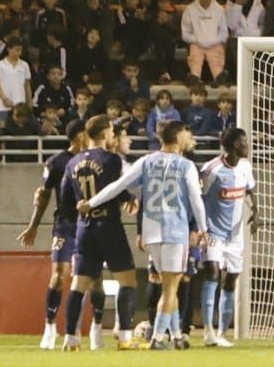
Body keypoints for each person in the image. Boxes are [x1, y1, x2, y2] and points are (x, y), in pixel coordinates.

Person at [84, 120, 206, 350]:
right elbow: (196, 200)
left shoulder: (146, 161)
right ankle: (158, 338)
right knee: (170, 287)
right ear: (178, 136)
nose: (189, 136)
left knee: (170, 283)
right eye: (186, 132)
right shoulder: (186, 165)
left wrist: (91, 202)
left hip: (152, 231)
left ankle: (177, 335)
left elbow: (118, 186)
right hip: (175, 230)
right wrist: (203, 228)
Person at [16, 120, 107, 350]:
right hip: (65, 224)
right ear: (79, 137)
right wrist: (33, 225)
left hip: (90, 223)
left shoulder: (97, 160)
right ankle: (50, 327)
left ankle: (96, 327)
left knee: (95, 278)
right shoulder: (56, 162)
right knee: (59, 275)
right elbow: (44, 195)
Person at [58, 117, 139, 350]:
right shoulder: (112, 160)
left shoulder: (72, 162)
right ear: (104, 134)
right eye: (112, 132)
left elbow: (65, 203)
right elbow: (115, 187)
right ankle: (124, 337)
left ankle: (71, 339)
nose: (114, 136)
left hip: (85, 228)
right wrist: (129, 199)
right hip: (109, 225)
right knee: (127, 279)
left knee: (79, 284)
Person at [199, 127, 259, 347]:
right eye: (244, 141)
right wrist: (199, 228)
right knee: (212, 273)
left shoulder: (244, 166)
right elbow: (198, 198)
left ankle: (222, 333)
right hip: (213, 232)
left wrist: (256, 212)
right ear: (234, 145)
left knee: (232, 278)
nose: (247, 145)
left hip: (235, 235)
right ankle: (208, 331)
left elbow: (251, 189)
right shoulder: (211, 170)